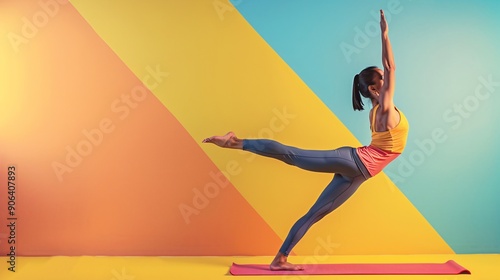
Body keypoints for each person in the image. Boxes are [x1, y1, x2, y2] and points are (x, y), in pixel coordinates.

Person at [202, 10, 408, 271]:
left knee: (314, 214)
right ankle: (235, 142)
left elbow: (388, 71)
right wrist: (385, 34)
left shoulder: (378, 109)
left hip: (359, 175)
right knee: (292, 155)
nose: (389, 78)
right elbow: (391, 66)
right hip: (355, 162)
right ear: (375, 89)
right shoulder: (385, 110)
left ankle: (280, 259)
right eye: (383, 78)